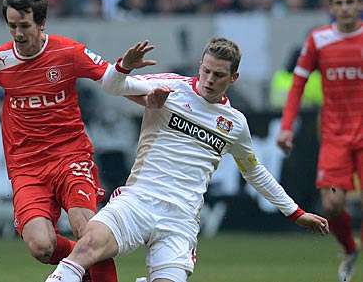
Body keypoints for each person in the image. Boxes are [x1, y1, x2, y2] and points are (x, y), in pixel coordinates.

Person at [44, 37, 330, 282]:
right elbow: (113, 86)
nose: (209, 80)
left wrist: (294, 212)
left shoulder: (235, 123)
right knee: (87, 247)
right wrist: (125, 66)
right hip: (139, 199)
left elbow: (255, 172)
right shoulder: (171, 88)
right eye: (206, 71)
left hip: (180, 219)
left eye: (218, 75)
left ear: (233, 78)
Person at [0, 0, 156, 281]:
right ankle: (83, 261)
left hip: (70, 156)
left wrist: (149, 94)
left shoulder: (68, 52)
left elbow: (112, 81)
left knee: (87, 229)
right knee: (41, 246)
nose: (18, 34)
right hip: (26, 167)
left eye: (24, 26)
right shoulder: (0, 60)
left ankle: (84, 260)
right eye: (12, 26)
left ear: (41, 23)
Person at [276, 0, 362, 281]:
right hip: (335, 135)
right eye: (339, 2)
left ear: (359, 4)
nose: (345, 8)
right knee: (332, 205)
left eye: (350, 2)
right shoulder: (319, 39)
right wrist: (286, 126)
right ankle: (350, 249)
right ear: (331, 7)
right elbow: (297, 84)